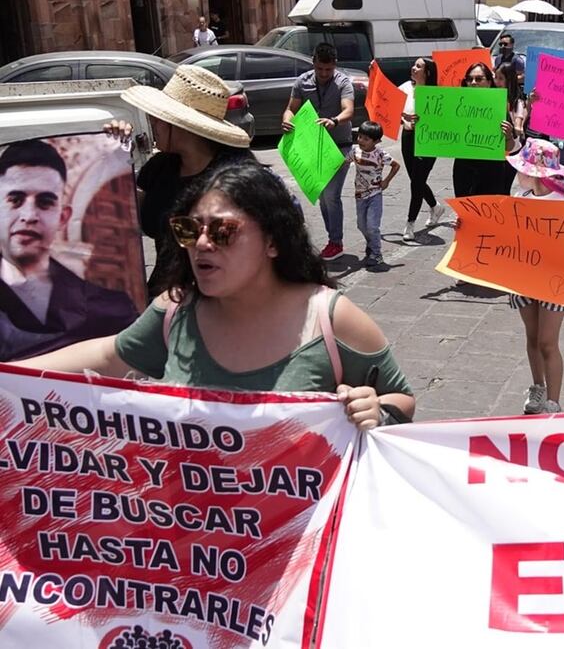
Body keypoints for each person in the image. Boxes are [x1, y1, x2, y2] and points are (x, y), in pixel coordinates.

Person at [13, 161, 416, 428]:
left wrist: (375, 412)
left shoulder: (331, 319)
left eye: (223, 231)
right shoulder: (174, 312)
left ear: (273, 241)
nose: (201, 244)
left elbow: (402, 399)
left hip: (298, 548)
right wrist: (8, 379)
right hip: (194, 542)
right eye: (190, 230)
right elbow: (107, 356)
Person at [110, 64, 254, 295]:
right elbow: (127, 214)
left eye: (158, 118)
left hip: (219, 302)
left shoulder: (236, 176)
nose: (152, 124)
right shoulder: (160, 167)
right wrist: (114, 156)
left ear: (180, 124)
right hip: (165, 297)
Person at [0, 140, 139, 361]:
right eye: (15, 200)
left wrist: (117, 139)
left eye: (44, 202)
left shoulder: (110, 307)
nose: (29, 215)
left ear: (63, 217)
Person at [505, 139, 564, 413]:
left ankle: (554, 401)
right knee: (532, 337)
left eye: (522, 169)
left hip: (555, 279)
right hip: (524, 276)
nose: (518, 173)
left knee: (547, 341)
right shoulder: (520, 198)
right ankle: (537, 387)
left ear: (535, 174)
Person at [283, 43, 355, 261]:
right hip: (313, 147)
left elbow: (348, 110)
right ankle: (333, 239)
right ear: (313, 62)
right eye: (320, 69)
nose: (324, 74)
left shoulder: (343, 82)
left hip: (340, 147)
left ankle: (336, 241)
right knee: (323, 197)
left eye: (329, 69)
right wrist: (286, 121)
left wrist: (334, 121)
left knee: (332, 196)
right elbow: (290, 109)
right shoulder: (302, 82)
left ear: (335, 66)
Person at [397, 57, 445, 241]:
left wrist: (426, 123)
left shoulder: (436, 93)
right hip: (408, 137)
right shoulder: (405, 87)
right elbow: (395, 109)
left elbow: (443, 119)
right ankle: (435, 207)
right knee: (415, 179)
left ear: (427, 73)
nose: (413, 68)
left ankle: (410, 223)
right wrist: (405, 119)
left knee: (416, 182)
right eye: (414, 65)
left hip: (428, 141)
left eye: (419, 66)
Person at [453, 63, 517, 199]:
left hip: (491, 171)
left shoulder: (498, 107)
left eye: (478, 79)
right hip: (464, 170)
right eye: (469, 79)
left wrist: (508, 135)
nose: (473, 83)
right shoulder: (455, 106)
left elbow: (510, 147)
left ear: (489, 82)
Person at [351, 121, 399, 267]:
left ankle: (377, 254)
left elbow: (396, 165)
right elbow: (343, 162)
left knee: (372, 225)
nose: (361, 141)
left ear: (376, 141)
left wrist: (386, 181)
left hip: (375, 194)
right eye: (359, 137)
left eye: (366, 139)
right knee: (361, 225)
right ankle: (371, 243)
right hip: (359, 195)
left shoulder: (380, 154)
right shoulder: (354, 152)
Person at [495, 61, 528, 192]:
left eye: (501, 78)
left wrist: (516, 128)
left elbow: (519, 126)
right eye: (495, 77)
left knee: (504, 187)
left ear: (509, 80)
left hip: (512, 151)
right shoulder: (489, 98)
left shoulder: (517, 102)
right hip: (494, 149)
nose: (497, 81)